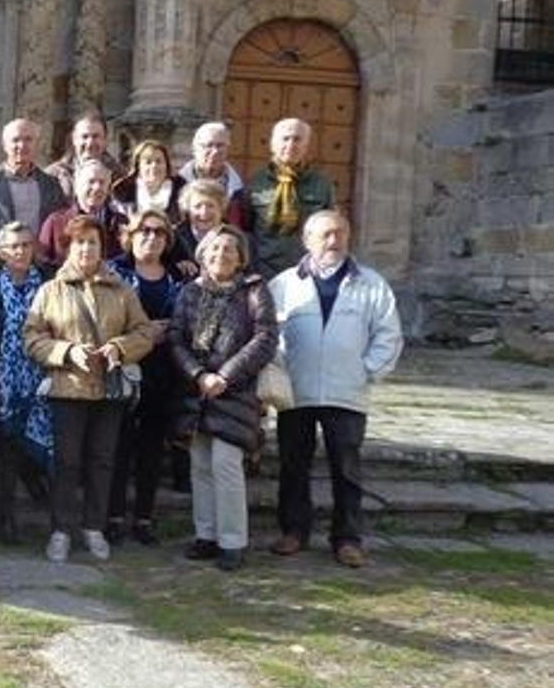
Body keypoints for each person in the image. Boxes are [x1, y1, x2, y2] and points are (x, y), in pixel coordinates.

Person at [269, 209, 403, 568]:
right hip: (296, 391)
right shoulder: (283, 284)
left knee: (346, 469)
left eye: (340, 233)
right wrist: (282, 370)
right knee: (293, 464)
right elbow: (269, 335)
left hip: (347, 392)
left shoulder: (371, 284)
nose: (333, 241)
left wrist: (365, 372)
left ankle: (347, 539)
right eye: (325, 234)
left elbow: (388, 335)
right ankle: (294, 531)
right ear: (307, 240)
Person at [24, 215, 157, 562]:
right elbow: (32, 337)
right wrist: (67, 352)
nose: (86, 248)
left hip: (109, 392)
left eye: (93, 242)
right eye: (79, 242)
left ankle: (94, 527)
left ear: (103, 248)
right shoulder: (50, 290)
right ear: (69, 246)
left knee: (102, 461)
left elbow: (145, 332)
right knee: (66, 464)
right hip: (67, 390)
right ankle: (61, 530)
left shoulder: (121, 289)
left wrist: (119, 348)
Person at [169, 226, 278, 571]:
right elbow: (176, 338)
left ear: (241, 257)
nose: (221, 255)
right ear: (202, 255)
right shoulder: (190, 292)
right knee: (200, 465)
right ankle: (207, 536)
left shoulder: (254, 290)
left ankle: (233, 541)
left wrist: (225, 376)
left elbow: (264, 337)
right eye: (214, 249)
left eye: (230, 250)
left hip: (236, 391)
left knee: (226, 465)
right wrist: (199, 375)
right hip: (196, 391)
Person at [105, 208, 184, 546]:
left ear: (167, 240)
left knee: (152, 448)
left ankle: (144, 518)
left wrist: (167, 329)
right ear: (131, 236)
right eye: (144, 231)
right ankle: (113, 516)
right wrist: (141, 332)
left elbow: (186, 320)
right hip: (121, 369)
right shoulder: (113, 272)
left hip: (162, 371)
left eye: (158, 232)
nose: (151, 238)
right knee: (118, 446)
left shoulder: (176, 277)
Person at [0, 223, 53, 542]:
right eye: (13, 246)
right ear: (1, 251)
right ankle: (3, 518)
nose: (20, 251)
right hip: (0, 375)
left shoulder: (48, 281)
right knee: (4, 444)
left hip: (42, 372)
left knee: (36, 434)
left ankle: (38, 486)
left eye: (25, 245)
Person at [248, 117, 336, 277]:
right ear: (272, 144)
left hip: (306, 269)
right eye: (285, 138)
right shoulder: (255, 183)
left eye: (297, 139)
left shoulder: (321, 184)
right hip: (264, 269)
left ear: (306, 146)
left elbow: (331, 228)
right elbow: (246, 230)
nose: (290, 145)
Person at [0, 116, 68, 243]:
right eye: (15, 140)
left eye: (28, 139)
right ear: (4, 145)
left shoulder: (52, 185)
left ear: (37, 144)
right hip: (0, 259)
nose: (22, 145)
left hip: (41, 261)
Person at [38, 158, 123, 266]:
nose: (97, 187)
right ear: (77, 185)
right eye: (91, 181)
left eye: (102, 182)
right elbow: (42, 264)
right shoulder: (55, 223)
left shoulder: (120, 223)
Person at [178, 120, 248, 226]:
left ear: (228, 149)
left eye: (220, 146)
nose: (215, 151)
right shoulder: (177, 185)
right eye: (209, 145)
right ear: (195, 149)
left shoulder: (239, 191)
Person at [44, 111, 122, 201]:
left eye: (96, 136)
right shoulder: (52, 177)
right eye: (84, 137)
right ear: (74, 139)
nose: (90, 143)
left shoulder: (119, 176)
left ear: (105, 140)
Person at [110, 138, 185, 224]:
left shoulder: (181, 190)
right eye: (148, 162)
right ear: (138, 166)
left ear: (166, 165)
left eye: (159, 161)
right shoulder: (123, 192)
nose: (154, 166)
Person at [171, 178, 228, 280]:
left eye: (210, 206)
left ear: (221, 208)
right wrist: (176, 266)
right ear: (188, 210)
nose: (204, 212)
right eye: (197, 206)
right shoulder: (173, 237)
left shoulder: (237, 238)